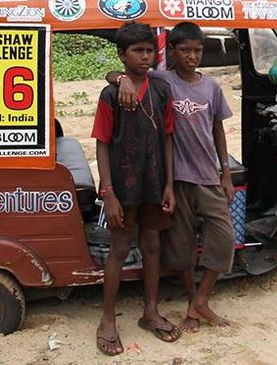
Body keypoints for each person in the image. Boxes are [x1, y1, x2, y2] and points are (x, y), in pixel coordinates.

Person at [110, 22, 236, 332]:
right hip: (176, 179)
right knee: (182, 249)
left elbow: (218, 128)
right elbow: (122, 74)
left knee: (224, 238)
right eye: (185, 50)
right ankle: (194, 304)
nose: (192, 57)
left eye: (198, 51)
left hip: (208, 175)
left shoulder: (212, 87)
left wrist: (226, 171)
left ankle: (201, 301)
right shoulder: (161, 80)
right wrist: (122, 79)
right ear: (173, 52)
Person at [91, 22, 180, 356]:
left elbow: (168, 138)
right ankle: (108, 319)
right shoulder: (112, 93)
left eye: (149, 50)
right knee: (118, 248)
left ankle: (151, 311)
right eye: (137, 51)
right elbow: (101, 143)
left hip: (155, 182)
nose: (145, 57)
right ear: (122, 55)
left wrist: (169, 184)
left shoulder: (160, 90)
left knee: (152, 245)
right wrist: (108, 192)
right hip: (123, 185)